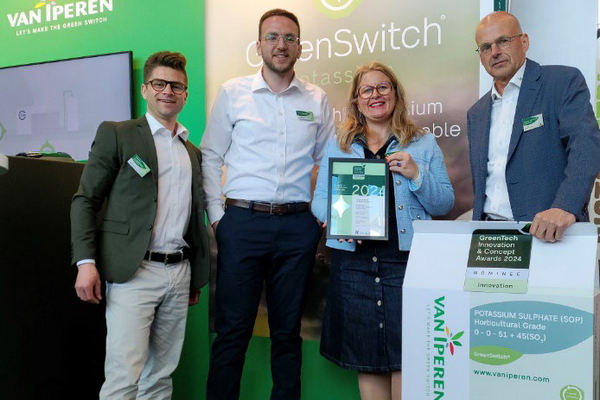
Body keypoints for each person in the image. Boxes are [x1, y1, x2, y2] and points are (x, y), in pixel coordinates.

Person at [200, 8, 335, 400]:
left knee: (287, 334)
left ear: (300, 47)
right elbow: (210, 157)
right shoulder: (233, 93)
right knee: (232, 333)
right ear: (258, 45)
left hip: (297, 229)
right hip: (242, 223)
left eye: (289, 38)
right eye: (272, 37)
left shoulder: (316, 98)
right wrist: (218, 218)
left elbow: (329, 162)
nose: (281, 45)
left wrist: (319, 216)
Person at [70, 51, 210, 400]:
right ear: (145, 89)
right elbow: (85, 200)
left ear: (186, 94)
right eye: (159, 84)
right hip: (134, 272)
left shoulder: (192, 152)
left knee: (160, 377)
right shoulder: (118, 134)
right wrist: (85, 262)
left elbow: (193, 217)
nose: (168, 91)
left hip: (178, 273)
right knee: (124, 377)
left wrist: (195, 275)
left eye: (176, 86)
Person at [311, 62, 454, 400]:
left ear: (395, 94)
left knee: (406, 357)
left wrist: (416, 174)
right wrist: (337, 220)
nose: (375, 95)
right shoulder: (340, 144)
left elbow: (444, 203)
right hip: (354, 265)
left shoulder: (422, 142)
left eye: (383, 87)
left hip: (405, 263)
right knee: (368, 360)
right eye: (367, 90)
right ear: (357, 100)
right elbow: (319, 202)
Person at [468, 11, 600, 241]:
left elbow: (586, 147)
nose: (495, 52)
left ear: (524, 42)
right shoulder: (476, 113)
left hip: (548, 237)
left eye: (503, 41)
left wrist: (565, 206)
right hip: (489, 239)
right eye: (486, 47)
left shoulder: (562, 82)